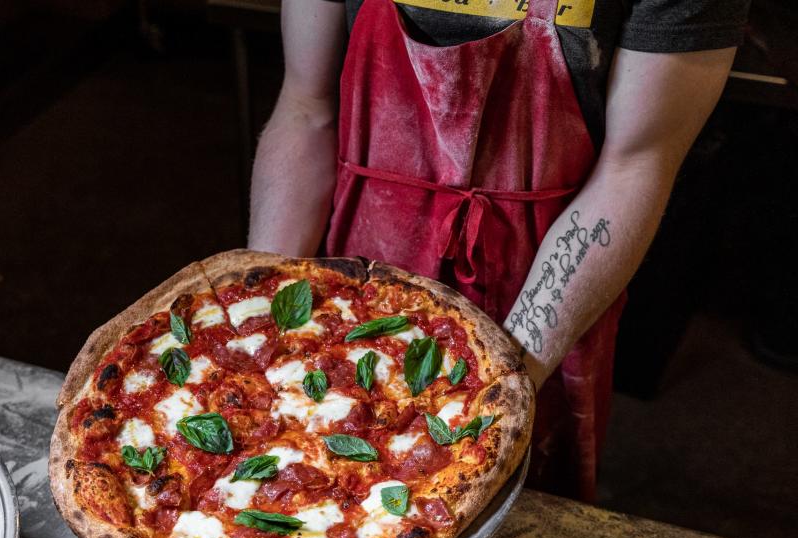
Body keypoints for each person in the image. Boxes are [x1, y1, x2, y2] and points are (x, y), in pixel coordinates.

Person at [246, 0, 748, 500]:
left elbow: (635, 165)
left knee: (507, 487)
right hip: (361, 261)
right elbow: (305, 110)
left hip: (543, 283)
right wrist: (262, 329)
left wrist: (500, 387)